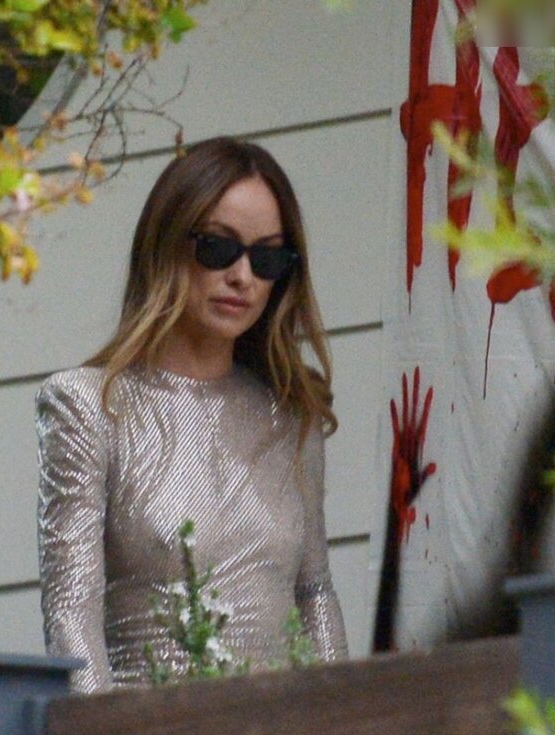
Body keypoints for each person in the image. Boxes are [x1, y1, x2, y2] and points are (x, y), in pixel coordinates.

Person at [36, 136, 348, 694]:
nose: (243, 276)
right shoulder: (89, 405)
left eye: (267, 257)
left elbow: (314, 592)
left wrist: (340, 734)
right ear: (165, 244)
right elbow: (70, 611)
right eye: (218, 248)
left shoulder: (291, 414)